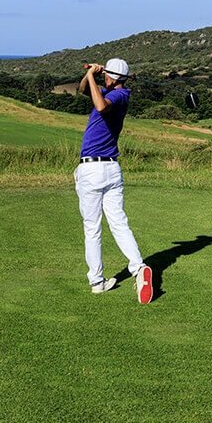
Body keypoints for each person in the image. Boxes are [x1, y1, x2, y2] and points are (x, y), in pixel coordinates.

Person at [74, 58, 153, 303]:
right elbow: (83, 90)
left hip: (93, 169)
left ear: (111, 78)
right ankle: (138, 268)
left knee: (92, 228)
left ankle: (97, 280)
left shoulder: (117, 97)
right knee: (118, 222)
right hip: (110, 169)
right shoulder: (112, 90)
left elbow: (99, 106)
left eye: (106, 75)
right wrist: (92, 75)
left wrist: (93, 75)